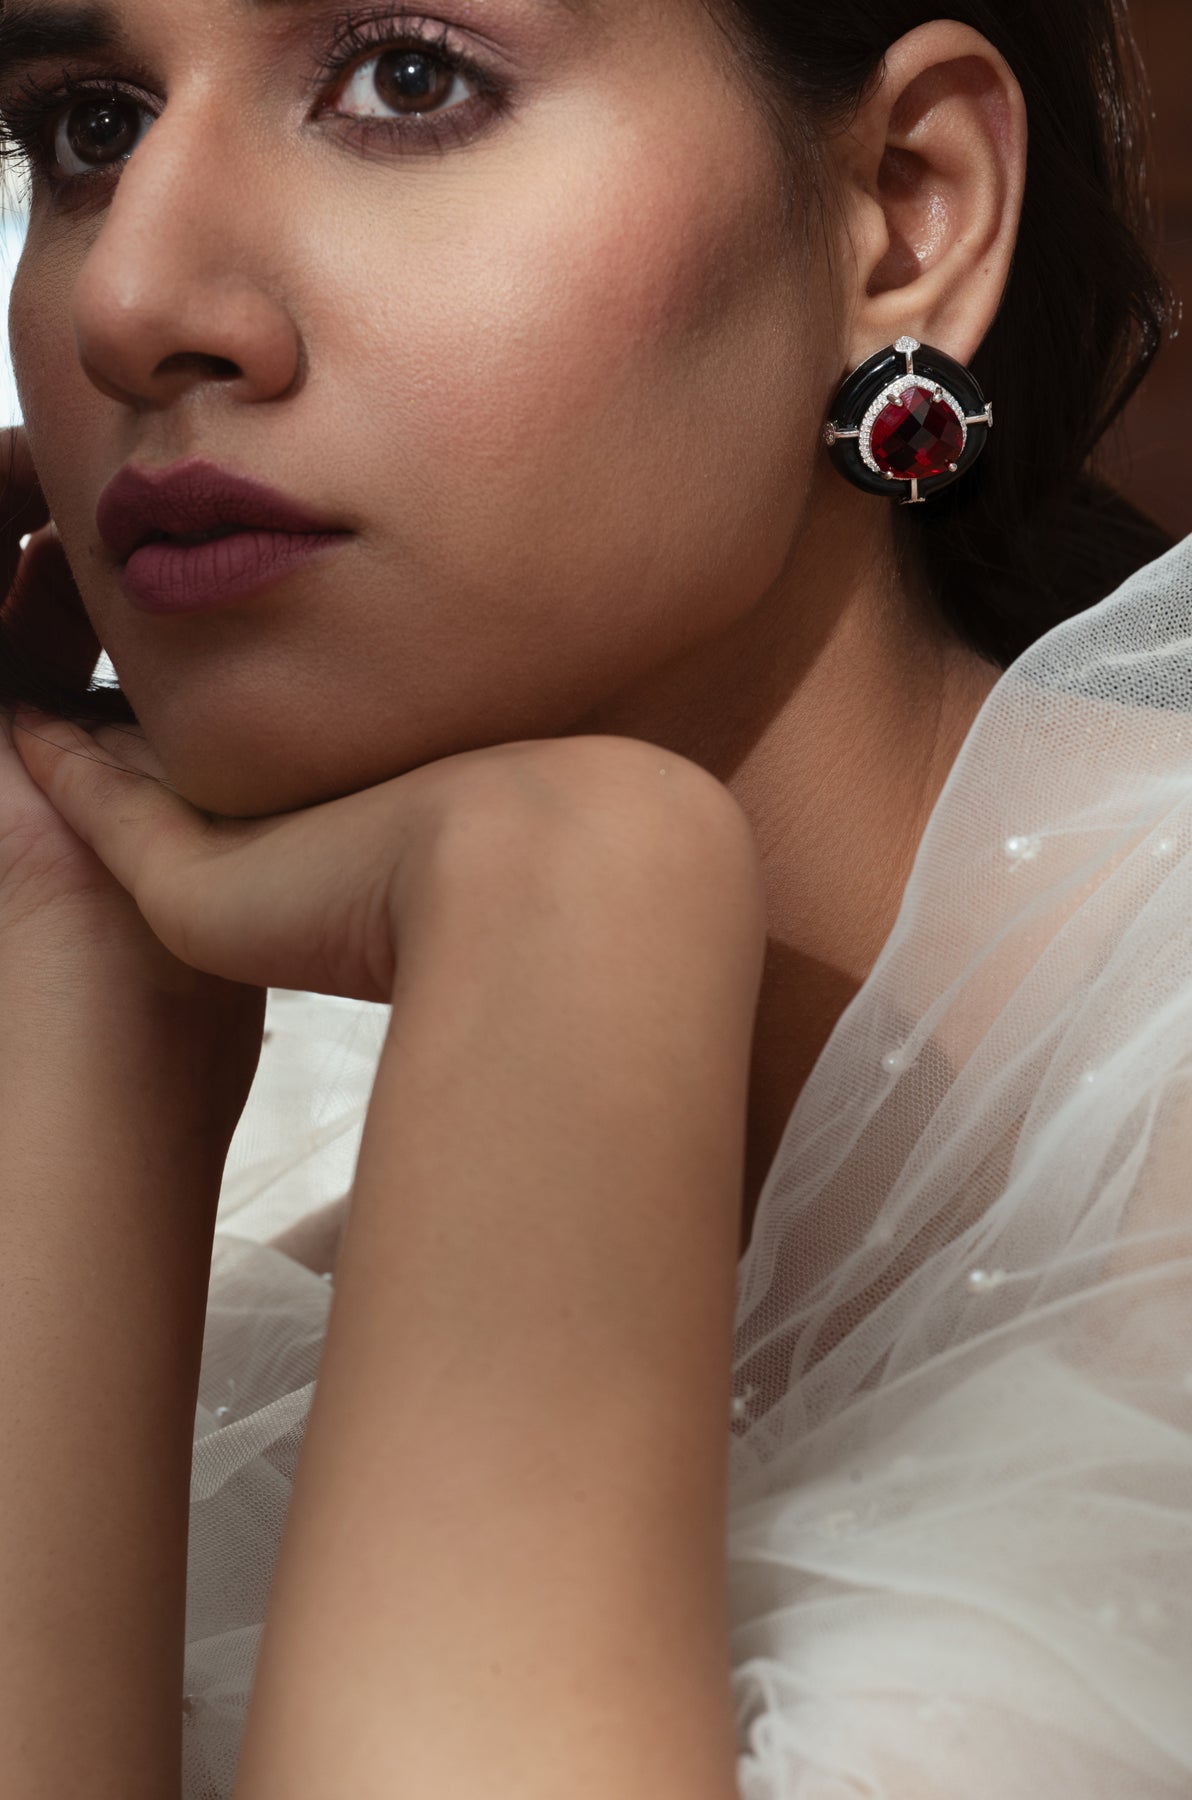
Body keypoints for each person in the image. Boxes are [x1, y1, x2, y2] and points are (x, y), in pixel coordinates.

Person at [0, 0, 1188, 1794]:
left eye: (408, 82)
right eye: (91, 127)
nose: (129, 300)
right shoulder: (285, 1253)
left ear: (902, 211)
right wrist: (73, 980)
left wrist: (574, 889)